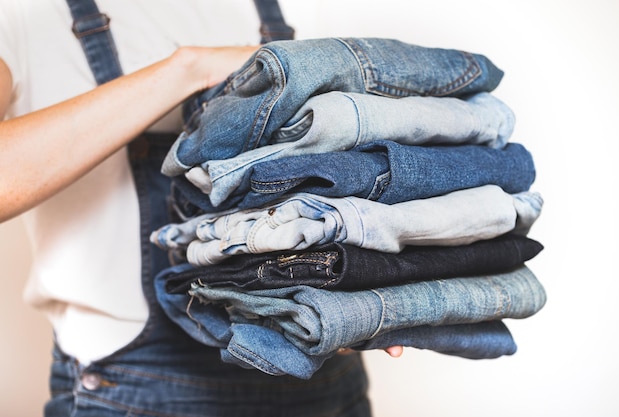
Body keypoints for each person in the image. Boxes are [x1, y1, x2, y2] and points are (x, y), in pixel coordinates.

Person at [0, 0, 401, 415]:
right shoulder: (22, 12)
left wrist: (365, 293)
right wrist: (187, 71)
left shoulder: (289, 7)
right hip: (137, 388)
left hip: (322, 365)